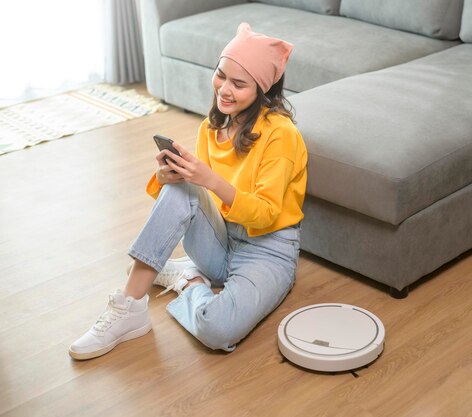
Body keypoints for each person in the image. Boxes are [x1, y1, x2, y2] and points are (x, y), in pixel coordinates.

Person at [69, 23, 307, 359]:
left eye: (239, 84)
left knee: (216, 330)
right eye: (221, 75)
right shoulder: (212, 127)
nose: (224, 89)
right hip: (221, 238)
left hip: (267, 250)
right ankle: (130, 307)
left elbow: (266, 213)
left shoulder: (280, 134)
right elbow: (185, 205)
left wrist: (208, 179)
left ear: (262, 90)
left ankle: (190, 280)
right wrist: (168, 176)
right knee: (182, 189)